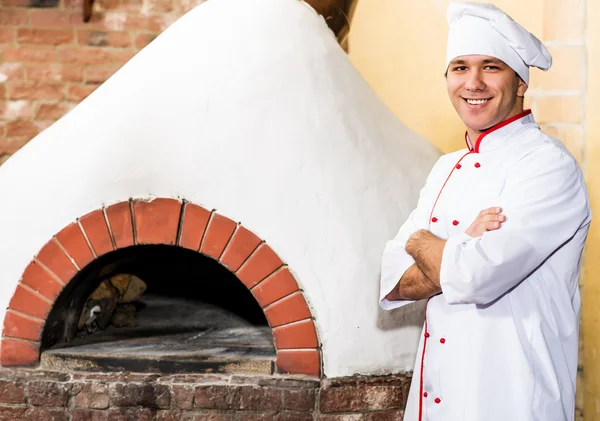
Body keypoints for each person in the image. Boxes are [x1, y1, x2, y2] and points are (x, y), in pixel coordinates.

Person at [379, 2, 591, 421]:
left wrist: (423, 241)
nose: (473, 82)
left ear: (520, 83)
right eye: (459, 67)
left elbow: (478, 276)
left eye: (491, 67)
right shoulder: (444, 168)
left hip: (513, 399)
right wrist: (460, 247)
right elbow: (393, 281)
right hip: (440, 399)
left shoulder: (548, 166)